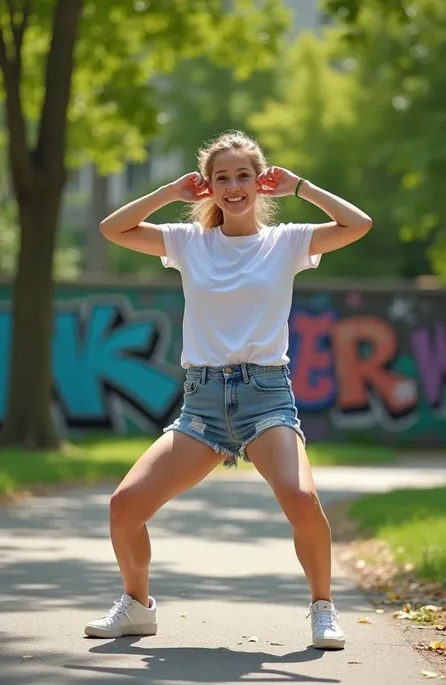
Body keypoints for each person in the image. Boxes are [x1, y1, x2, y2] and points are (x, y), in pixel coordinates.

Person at [84, 130, 372, 648]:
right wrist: (171, 192)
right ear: (209, 187)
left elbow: (359, 224)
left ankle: (323, 608)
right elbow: (112, 228)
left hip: (265, 398)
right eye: (222, 178)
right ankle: (137, 605)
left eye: (244, 176)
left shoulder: (287, 242)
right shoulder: (188, 242)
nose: (233, 187)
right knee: (124, 505)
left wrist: (301, 186)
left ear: (261, 183)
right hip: (202, 404)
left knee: (303, 501)